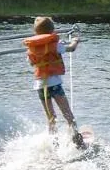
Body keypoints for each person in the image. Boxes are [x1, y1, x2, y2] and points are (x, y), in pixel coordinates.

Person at [23, 16, 84, 147]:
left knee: (51, 118)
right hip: (55, 85)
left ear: (36, 33)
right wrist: (75, 40)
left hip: (40, 86)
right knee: (67, 113)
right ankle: (77, 138)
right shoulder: (56, 44)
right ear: (52, 31)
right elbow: (71, 48)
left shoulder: (31, 48)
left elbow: (31, 63)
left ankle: (54, 144)